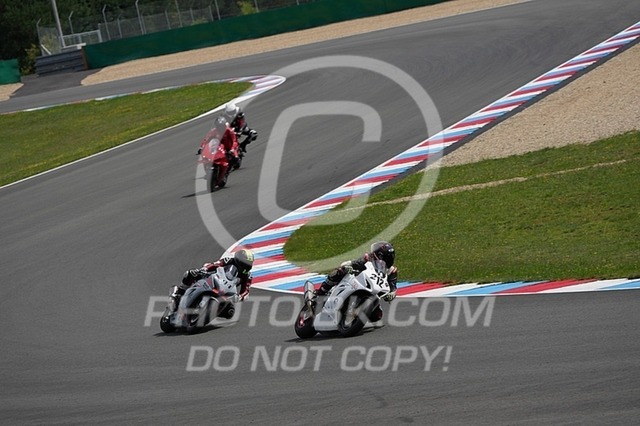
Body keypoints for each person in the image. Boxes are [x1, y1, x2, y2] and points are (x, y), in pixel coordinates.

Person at [313, 241, 398, 320]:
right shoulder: (367, 258)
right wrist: (348, 267)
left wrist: (391, 294)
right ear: (377, 255)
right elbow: (351, 263)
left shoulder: (391, 270)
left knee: (377, 316)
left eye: (390, 257)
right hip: (356, 282)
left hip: (373, 291)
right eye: (385, 257)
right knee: (339, 272)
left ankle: (352, 317)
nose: (388, 259)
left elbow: (393, 287)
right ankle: (320, 293)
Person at [168, 249, 254, 319]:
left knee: (230, 312)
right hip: (213, 278)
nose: (245, 268)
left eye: (248, 266)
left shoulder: (248, 276)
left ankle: (209, 313)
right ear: (238, 261)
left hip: (226, 292)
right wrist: (204, 269)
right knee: (190, 273)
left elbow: (246, 291)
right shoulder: (229, 260)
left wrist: (240, 297)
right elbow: (215, 264)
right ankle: (178, 293)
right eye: (244, 265)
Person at [198, 116, 240, 186]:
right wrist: (201, 147)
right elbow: (206, 140)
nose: (220, 128)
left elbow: (234, 141)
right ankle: (208, 172)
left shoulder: (229, 131)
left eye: (221, 126)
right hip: (218, 147)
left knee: (235, 159)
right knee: (206, 157)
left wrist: (232, 149)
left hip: (229, 148)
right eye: (218, 126)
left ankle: (226, 172)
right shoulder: (213, 131)